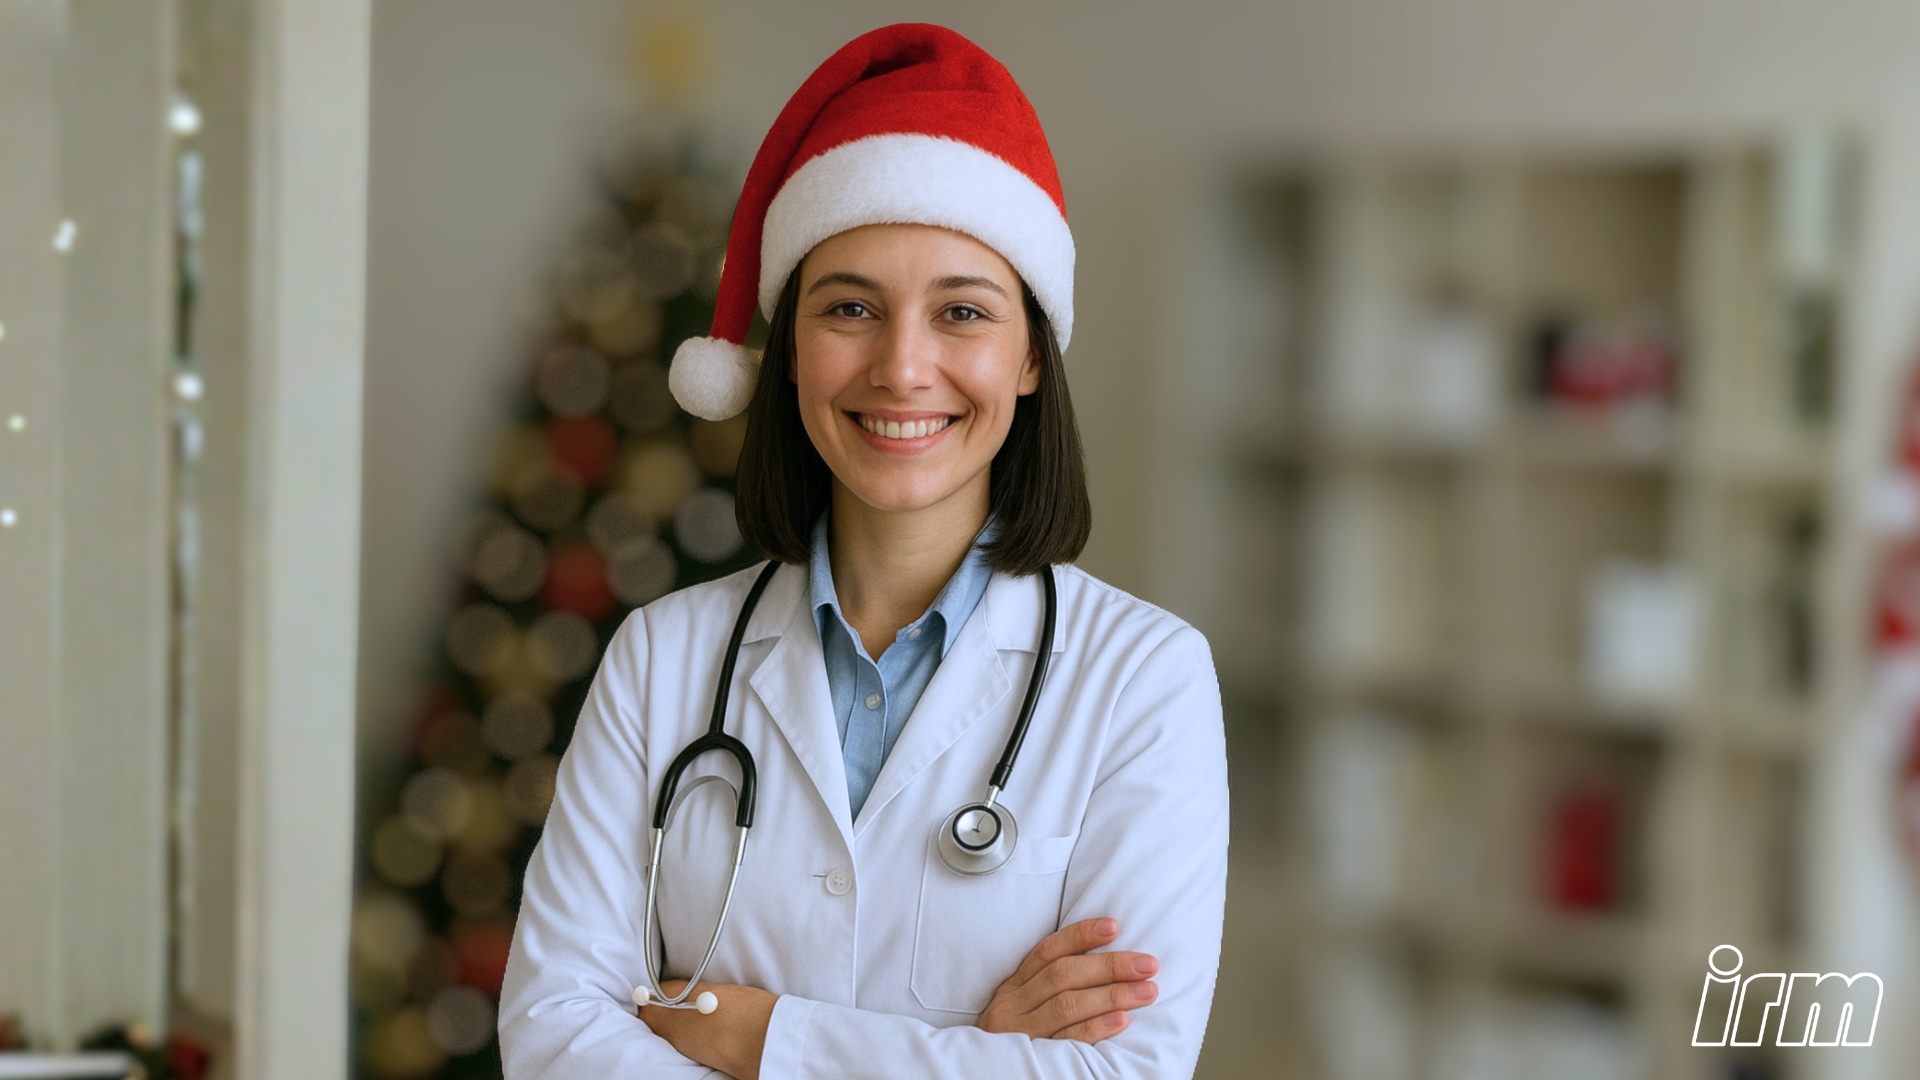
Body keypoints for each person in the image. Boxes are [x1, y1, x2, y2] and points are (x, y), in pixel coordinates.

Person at [500, 23, 1228, 1079]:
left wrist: (761, 1038)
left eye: (962, 312)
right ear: (791, 350)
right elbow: (554, 1037)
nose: (902, 367)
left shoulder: (1145, 679)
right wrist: (975, 1056)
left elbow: (1125, 1071)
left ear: (1031, 355)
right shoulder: (662, 658)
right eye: (850, 307)